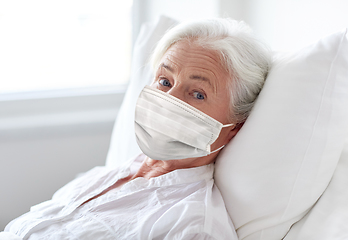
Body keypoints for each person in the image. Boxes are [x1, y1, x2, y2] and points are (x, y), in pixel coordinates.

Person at [1, 18, 271, 240]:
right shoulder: (101, 177)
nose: (168, 100)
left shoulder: (191, 227)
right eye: (164, 81)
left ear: (234, 127)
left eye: (197, 94)